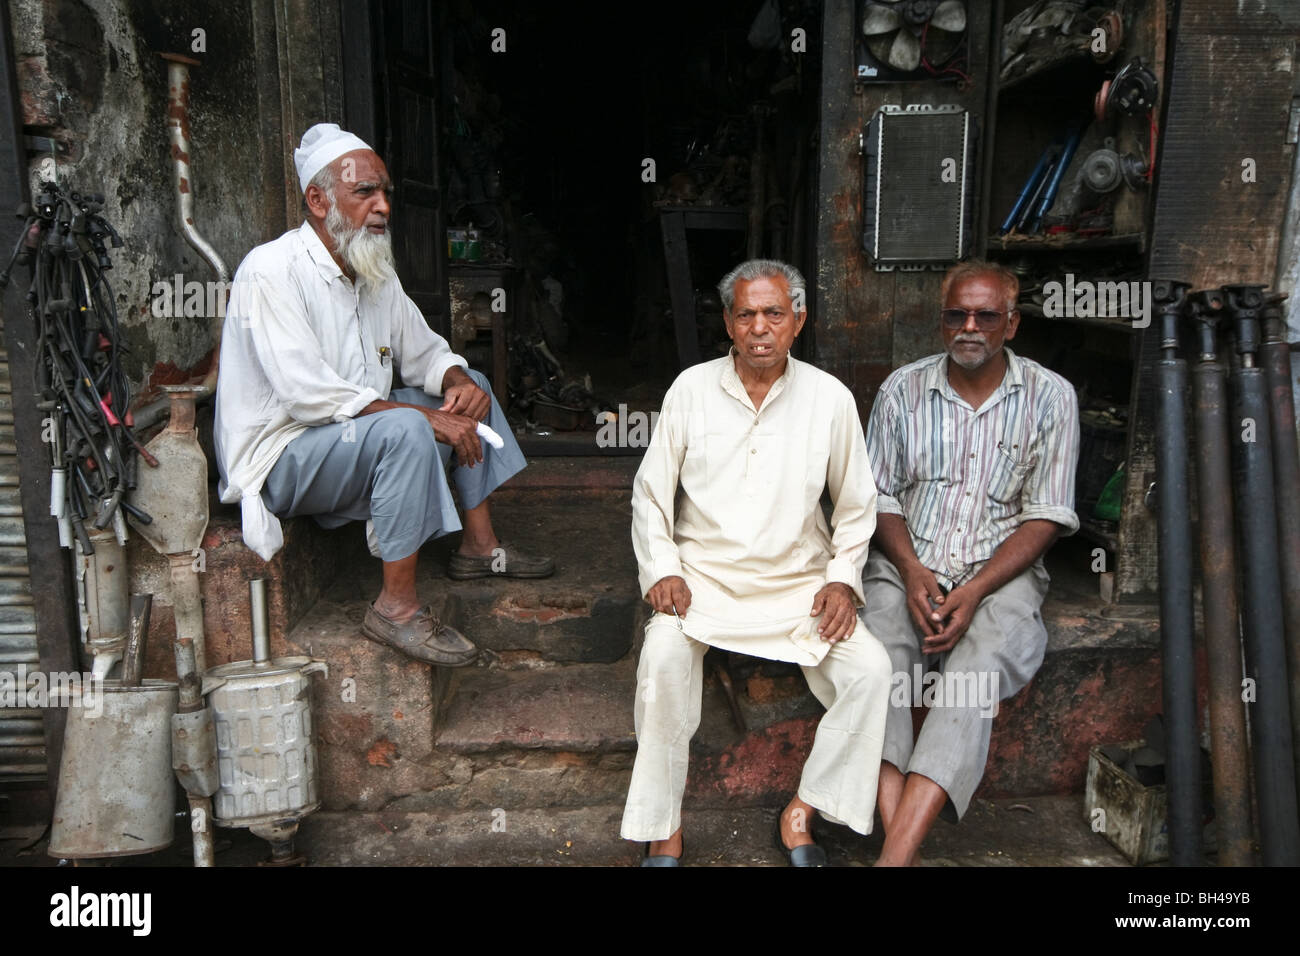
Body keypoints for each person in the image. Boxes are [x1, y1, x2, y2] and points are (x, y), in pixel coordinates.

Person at [214, 123, 553, 668]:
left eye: (385, 192)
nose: (383, 207)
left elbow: (425, 352)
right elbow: (307, 396)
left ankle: (479, 548)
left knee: (475, 388)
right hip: (286, 455)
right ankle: (395, 609)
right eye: (364, 193)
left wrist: (455, 380)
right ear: (318, 200)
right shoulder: (270, 270)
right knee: (407, 427)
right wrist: (422, 419)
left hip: (351, 436)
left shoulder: (372, 270)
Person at [622, 259, 891, 866]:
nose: (760, 328)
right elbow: (650, 493)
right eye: (746, 314)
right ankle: (663, 827)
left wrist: (843, 581)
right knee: (662, 658)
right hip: (703, 583)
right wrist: (661, 567)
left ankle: (803, 811)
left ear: (799, 321)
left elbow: (856, 506)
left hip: (798, 586)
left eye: (775, 313)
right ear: (728, 323)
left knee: (871, 672)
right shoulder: (691, 388)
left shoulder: (830, 398)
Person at [862, 259, 1080, 866]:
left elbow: (1046, 515)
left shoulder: (1051, 397)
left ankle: (891, 859)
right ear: (941, 322)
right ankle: (900, 851)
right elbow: (876, 496)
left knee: (971, 680)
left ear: (1011, 324)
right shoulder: (902, 391)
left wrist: (978, 588)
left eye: (986, 316)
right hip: (908, 559)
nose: (970, 327)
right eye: (956, 314)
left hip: (1000, 573)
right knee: (879, 667)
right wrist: (909, 570)